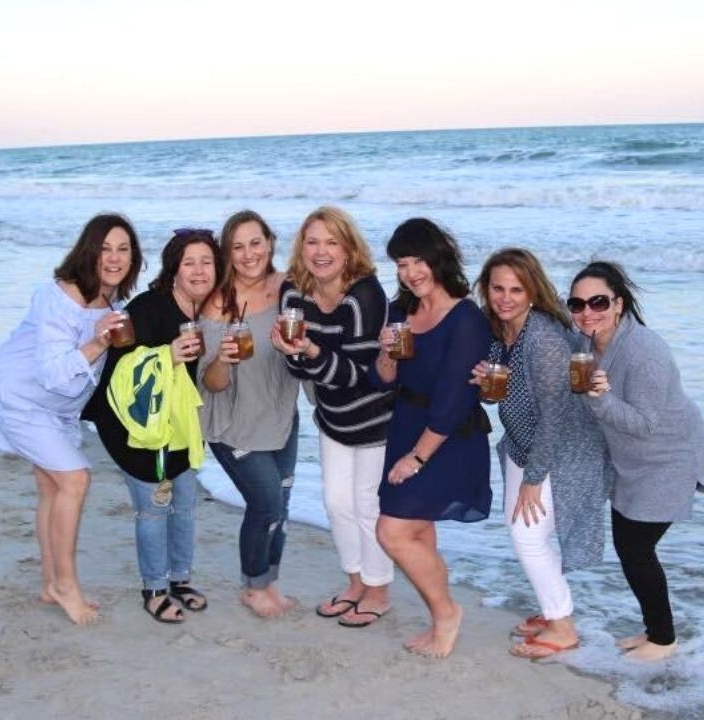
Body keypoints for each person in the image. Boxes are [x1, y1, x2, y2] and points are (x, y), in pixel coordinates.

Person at [0, 212, 143, 625]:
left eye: (123, 249)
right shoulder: (60, 296)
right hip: (18, 392)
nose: (114, 258)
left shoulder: (111, 301)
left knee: (52, 486)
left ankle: (51, 583)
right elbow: (54, 371)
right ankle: (67, 586)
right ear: (88, 250)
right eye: (105, 248)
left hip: (56, 406)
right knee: (75, 479)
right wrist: (99, 339)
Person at [571, 260, 704, 661]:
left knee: (636, 547)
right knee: (629, 545)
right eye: (577, 304)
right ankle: (655, 631)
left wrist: (601, 400)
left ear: (619, 303)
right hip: (631, 461)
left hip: (669, 455)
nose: (587, 312)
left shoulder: (645, 351)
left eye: (598, 302)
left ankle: (664, 640)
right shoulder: (586, 342)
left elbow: (645, 424)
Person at [470, 248, 612, 660]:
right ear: (487, 289)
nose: (506, 297)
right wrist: (484, 385)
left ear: (533, 291)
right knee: (525, 532)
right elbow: (502, 398)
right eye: (498, 288)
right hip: (522, 445)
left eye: (517, 289)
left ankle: (563, 625)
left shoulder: (545, 340)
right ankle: (554, 611)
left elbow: (555, 417)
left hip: (562, 450)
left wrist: (534, 481)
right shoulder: (502, 330)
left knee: (527, 534)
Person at [82, 228, 219, 624]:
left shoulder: (203, 312)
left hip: (177, 426)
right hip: (135, 428)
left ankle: (180, 579)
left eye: (206, 262)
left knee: (186, 507)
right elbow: (121, 373)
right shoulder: (148, 307)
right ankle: (154, 588)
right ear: (173, 269)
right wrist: (168, 354)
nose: (198, 270)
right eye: (188, 262)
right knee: (153, 511)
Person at [370, 218, 492, 658]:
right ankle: (439, 615)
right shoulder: (401, 310)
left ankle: (447, 614)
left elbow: (454, 398)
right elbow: (384, 380)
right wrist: (385, 350)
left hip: (448, 438)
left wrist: (417, 459)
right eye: (402, 264)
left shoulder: (466, 318)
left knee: (393, 531)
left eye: (419, 261)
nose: (411, 272)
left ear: (440, 258)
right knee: (417, 532)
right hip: (406, 424)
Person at [271, 206, 395, 628]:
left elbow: (361, 377)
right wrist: (296, 354)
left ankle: (379, 590)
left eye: (331, 242)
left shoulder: (364, 296)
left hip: (377, 417)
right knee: (335, 502)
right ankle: (356, 583)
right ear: (300, 247)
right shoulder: (293, 294)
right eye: (312, 241)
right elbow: (297, 370)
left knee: (367, 505)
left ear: (348, 248)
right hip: (333, 417)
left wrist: (309, 352)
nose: (321, 252)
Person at [199, 210, 301, 618]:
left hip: (280, 414)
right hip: (233, 423)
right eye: (237, 247)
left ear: (271, 242)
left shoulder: (288, 289)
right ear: (228, 253)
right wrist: (223, 358)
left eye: (255, 243)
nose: (248, 254)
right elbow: (212, 383)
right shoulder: (219, 303)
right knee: (265, 504)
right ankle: (252, 584)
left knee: (284, 502)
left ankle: (269, 581)